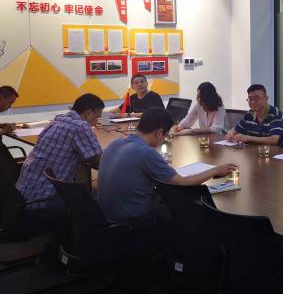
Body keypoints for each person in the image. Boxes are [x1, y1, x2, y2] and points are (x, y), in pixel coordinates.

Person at [98, 107, 236, 223]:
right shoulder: (146, 152)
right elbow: (182, 183)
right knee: (185, 208)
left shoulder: (116, 143)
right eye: (166, 136)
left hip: (106, 214)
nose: (165, 139)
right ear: (159, 133)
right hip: (132, 220)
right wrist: (215, 170)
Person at [16, 94, 104, 209]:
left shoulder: (57, 120)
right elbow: (98, 162)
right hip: (43, 201)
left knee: (81, 168)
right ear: (89, 113)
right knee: (99, 199)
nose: (96, 123)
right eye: (97, 117)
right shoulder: (79, 126)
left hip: (23, 195)